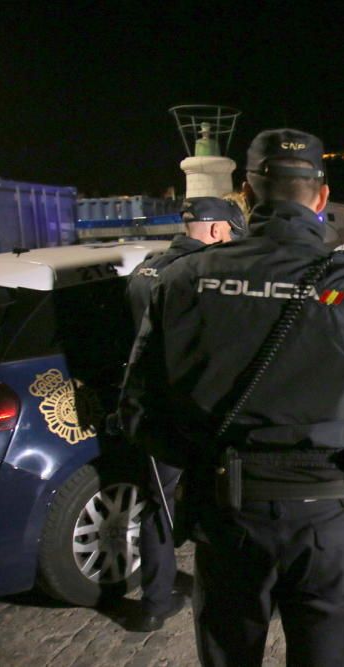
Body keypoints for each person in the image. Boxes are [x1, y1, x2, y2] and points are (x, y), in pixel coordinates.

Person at [120, 128, 344, 666]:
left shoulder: (185, 279)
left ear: (246, 192)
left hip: (230, 510)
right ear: (320, 197)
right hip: (332, 511)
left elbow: (136, 410)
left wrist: (202, 467)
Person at [124, 196, 245, 633]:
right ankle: (237, 598)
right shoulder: (208, 275)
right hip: (205, 412)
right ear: (216, 231)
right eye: (231, 233)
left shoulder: (145, 270)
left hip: (157, 412)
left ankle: (154, 604)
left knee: (158, 505)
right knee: (228, 502)